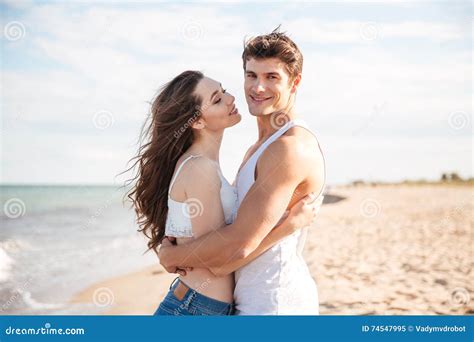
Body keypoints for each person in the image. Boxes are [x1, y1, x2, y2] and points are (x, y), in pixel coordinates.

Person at [158, 28, 326, 315]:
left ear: (294, 82)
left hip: (275, 304)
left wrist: (172, 255)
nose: (258, 87)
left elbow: (236, 248)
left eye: (272, 77)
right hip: (250, 302)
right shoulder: (258, 148)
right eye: (251, 75)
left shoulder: (288, 148)